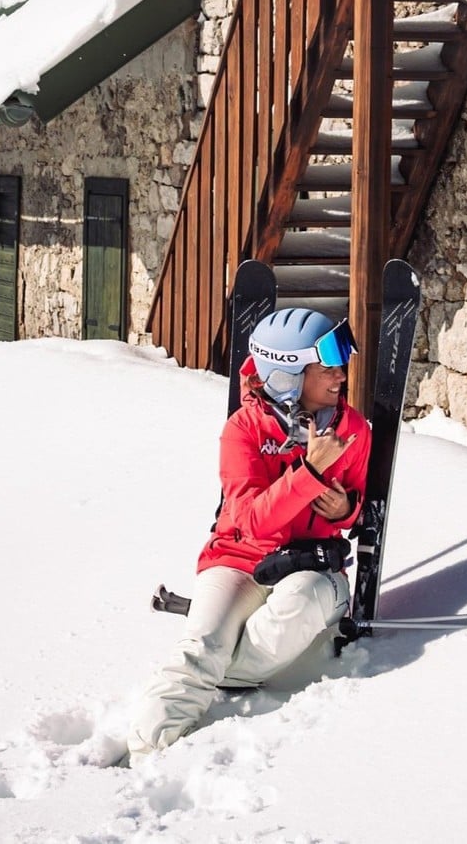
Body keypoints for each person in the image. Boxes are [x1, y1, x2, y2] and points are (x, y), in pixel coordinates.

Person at [126, 307, 370, 762]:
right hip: (238, 559)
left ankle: (220, 668)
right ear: (287, 375)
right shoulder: (242, 430)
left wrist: (346, 508)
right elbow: (252, 522)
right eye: (327, 368)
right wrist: (311, 470)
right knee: (202, 647)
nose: (340, 376)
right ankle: (145, 754)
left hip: (314, 570)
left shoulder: (352, 430)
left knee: (283, 616)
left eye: (340, 364)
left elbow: (351, 513)